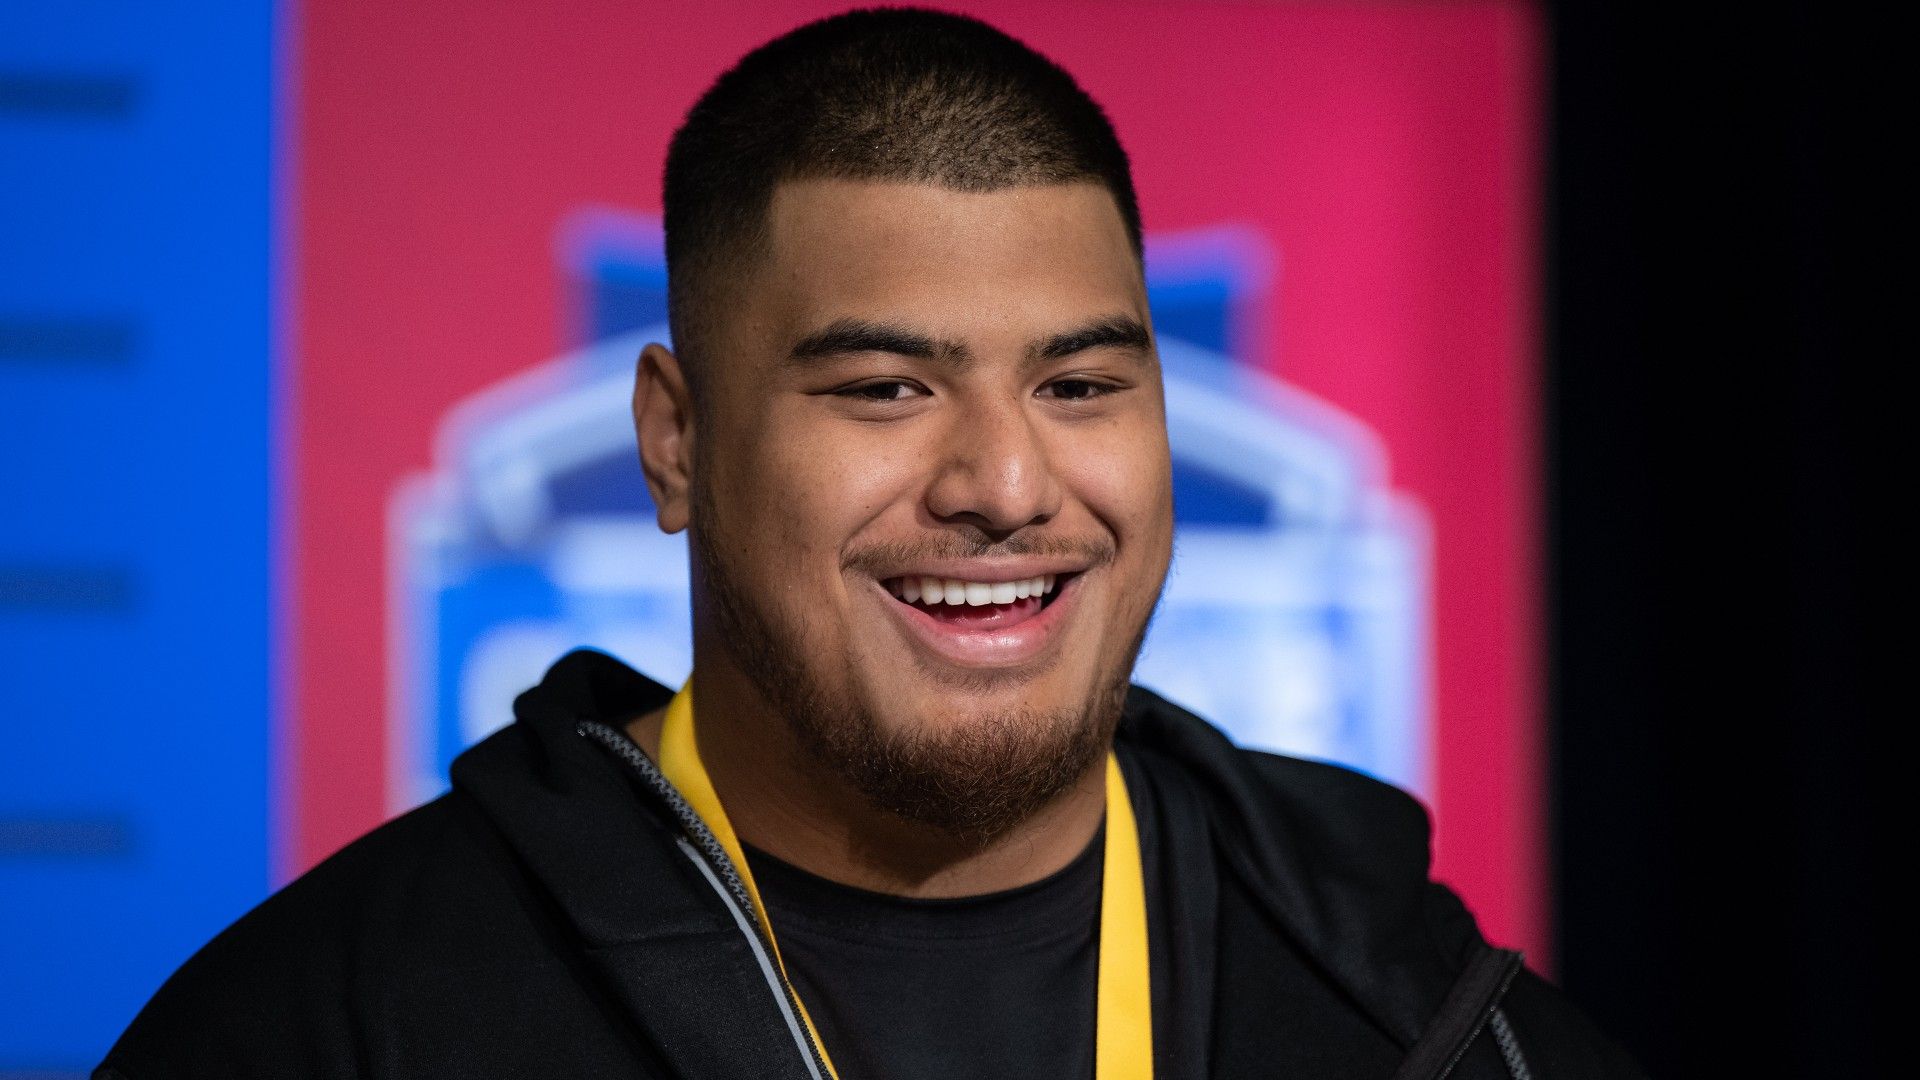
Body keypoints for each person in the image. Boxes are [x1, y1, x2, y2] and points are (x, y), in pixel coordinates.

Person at [98, 10, 1641, 1079]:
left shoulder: (1443, 1030)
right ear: (676, 440)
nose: (1006, 483)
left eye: (1081, 385)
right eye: (887, 389)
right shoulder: (330, 1029)